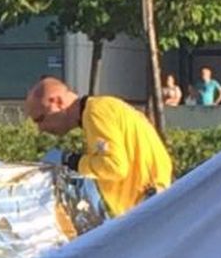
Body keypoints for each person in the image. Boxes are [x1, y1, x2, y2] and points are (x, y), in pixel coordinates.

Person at [26, 75, 173, 217]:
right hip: (154, 203)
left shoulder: (96, 112)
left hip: (149, 206)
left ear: (57, 102)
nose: (40, 129)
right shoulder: (103, 108)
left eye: (40, 119)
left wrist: (72, 161)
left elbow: (114, 166)